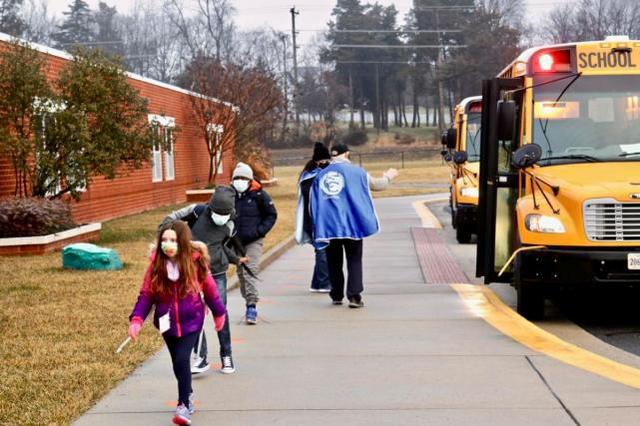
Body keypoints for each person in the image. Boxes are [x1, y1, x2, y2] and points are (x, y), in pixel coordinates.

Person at [128, 220, 226, 425]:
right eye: (164, 240)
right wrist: (136, 319)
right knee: (177, 363)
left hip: (192, 321)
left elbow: (210, 290)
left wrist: (219, 313)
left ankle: (183, 406)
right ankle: (187, 392)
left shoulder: (195, 263)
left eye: (173, 240)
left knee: (182, 360)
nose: (168, 244)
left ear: (182, 241)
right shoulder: (155, 266)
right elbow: (146, 295)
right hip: (168, 324)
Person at [160, 186, 247, 375]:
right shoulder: (197, 211)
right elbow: (171, 218)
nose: (220, 216)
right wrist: (165, 236)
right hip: (192, 272)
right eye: (217, 212)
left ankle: (227, 355)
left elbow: (224, 246)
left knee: (220, 313)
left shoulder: (230, 224)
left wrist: (236, 258)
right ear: (211, 207)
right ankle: (201, 357)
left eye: (225, 213)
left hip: (217, 273)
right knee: (193, 313)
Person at [311, 143, 398, 308]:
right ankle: (354, 296)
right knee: (354, 260)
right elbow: (378, 185)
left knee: (333, 261)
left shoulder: (321, 175)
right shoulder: (358, 172)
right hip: (353, 224)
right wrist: (389, 176)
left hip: (330, 226)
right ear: (347, 154)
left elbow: (314, 203)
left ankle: (336, 294)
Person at [232, 162, 278, 324]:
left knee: (249, 271)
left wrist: (259, 231)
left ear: (250, 179)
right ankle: (248, 301)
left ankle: (252, 306)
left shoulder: (259, 195)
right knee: (241, 274)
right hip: (235, 242)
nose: (240, 181)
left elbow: (271, 215)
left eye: (243, 178)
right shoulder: (229, 195)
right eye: (236, 178)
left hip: (253, 240)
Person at [295, 142, 332, 292]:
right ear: (319, 161)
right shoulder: (312, 178)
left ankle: (316, 284)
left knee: (321, 249)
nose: (327, 164)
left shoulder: (308, 175)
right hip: (316, 220)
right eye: (325, 161)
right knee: (322, 249)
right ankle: (324, 283)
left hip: (314, 220)